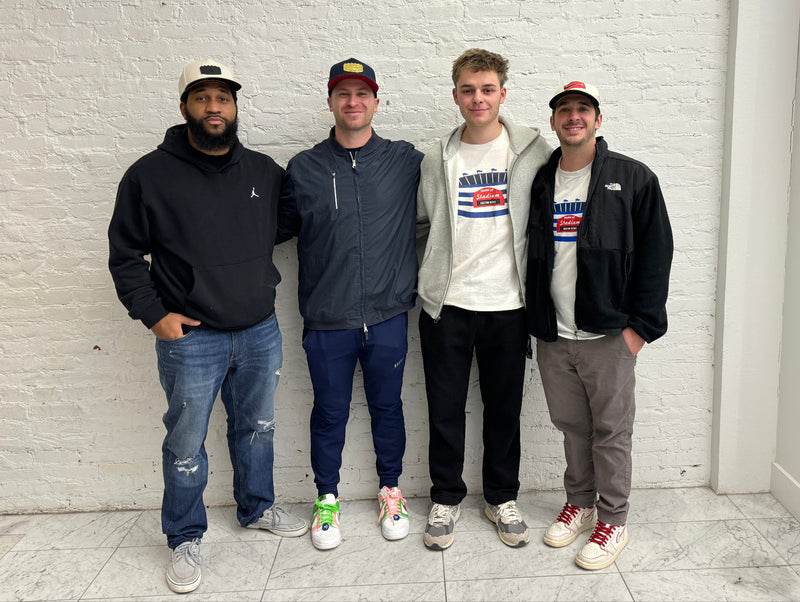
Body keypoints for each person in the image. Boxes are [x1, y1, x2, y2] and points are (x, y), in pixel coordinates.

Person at [108, 59, 308, 594]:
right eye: (202, 98)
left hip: (259, 331)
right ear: (184, 108)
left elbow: (282, 224)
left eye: (223, 98)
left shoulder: (263, 171)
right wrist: (154, 315)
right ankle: (184, 536)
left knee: (257, 428)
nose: (213, 107)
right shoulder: (149, 175)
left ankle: (256, 508)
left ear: (235, 107)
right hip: (192, 339)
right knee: (186, 443)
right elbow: (125, 254)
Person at [278, 58, 423, 551]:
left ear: (377, 102)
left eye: (362, 93)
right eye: (344, 93)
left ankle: (391, 491)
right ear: (331, 102)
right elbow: (265, 230)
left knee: (388, 407)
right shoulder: (304, 168)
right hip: (328, 320)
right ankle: (326, 499)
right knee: (329, 412)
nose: (353, 102)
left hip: (387, 316)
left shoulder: (405, 161)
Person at [527, 81, 673, 570]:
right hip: (556, 334)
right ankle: (581, 503)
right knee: (573, 428)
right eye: (565, 110)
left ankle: (613, 519)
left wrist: (640, 330)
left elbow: (657, 255)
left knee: (611, 431)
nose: (574, 117)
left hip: (609, 336)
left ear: (597, 119)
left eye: (583, 109)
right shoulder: (542, 180)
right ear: (553, 121)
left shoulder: (632, 178)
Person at [416, 48, 551, 550]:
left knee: (504, 410)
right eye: (469, 90)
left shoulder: (533, 152)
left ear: (502, 94)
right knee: (445, 409)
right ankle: (446, 497)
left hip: (508, 306)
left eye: (487, 89)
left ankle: (501, 496)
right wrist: (429, 276)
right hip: (447, 306)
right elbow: (422, 225)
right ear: (455, 95)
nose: (478, 98)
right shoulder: (437, 157)